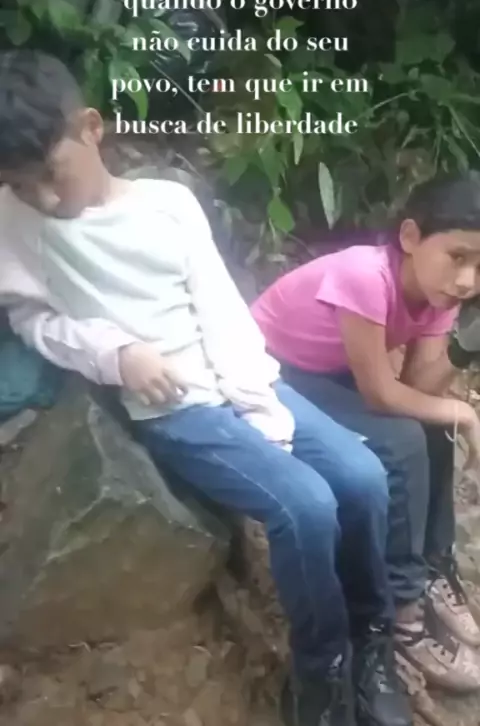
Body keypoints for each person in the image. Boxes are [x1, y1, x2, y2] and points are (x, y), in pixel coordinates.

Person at [0, 49, 411, 726]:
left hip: (241, 379)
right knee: (306, 506)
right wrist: (115, 352)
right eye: (20, 185)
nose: (42, 198)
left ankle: (372, 641)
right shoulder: (16, 221)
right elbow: (32, 319)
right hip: (172, 406)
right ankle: (323, 667)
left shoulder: (169, 204)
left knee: (363, 477)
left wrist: (260, 407)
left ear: (92, 128)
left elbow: (221, 308)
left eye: (49, 174)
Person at [252, 172, 480, 693]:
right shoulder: (366, 276)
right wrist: (467, 413)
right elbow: (381, 395)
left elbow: (416, 386)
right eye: (458, 256)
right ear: (411, 237)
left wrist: (463, 349)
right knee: (402, 443)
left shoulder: (438, 294)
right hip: (273, 369)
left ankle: (432, 566)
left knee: (432, 425)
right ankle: (404, 612)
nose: (467, 280)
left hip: (331, 370)